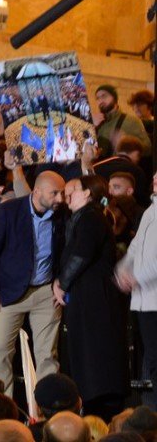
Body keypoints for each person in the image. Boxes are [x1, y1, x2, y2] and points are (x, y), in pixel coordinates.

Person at [0, 171, 66, 396]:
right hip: (9, 293)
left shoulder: (61, 214)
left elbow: (66, 250)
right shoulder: (9, 211)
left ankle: (48, 410)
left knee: (47, 355)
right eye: (54, 193)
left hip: (46, 292)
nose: (60, 199)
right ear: (37, 191)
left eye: (62, 193)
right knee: (0, 353)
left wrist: (60, 280)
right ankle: (3, 409)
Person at [53, 175, 128, 421]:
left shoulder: (91, 217)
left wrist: (62, 283)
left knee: (96, 356)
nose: (66, 196)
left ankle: (101, 410)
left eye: (72, 190)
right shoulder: (81, 217)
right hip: (87, 297)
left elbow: (82, 254)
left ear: (87, 194)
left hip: (95, 299)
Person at [116, 170, 157, 410]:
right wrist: (122, 270)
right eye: (153, 176)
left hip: (153, 300)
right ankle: (148, 408)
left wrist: (136, 277)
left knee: (153, 359)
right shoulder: (150, 211)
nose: (153, 179)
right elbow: (135, 246)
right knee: (147, 358)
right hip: (142, 300)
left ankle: (152, 411)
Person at [94, 84, 151, 157]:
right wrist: (92, 127)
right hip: (99, 166)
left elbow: (148, 149)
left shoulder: (132, 121)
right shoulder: (98, 122)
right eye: (97, 98)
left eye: (104, 96)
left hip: (120, 167)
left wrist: (126, 143)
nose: (100, 101)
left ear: (114, 98)